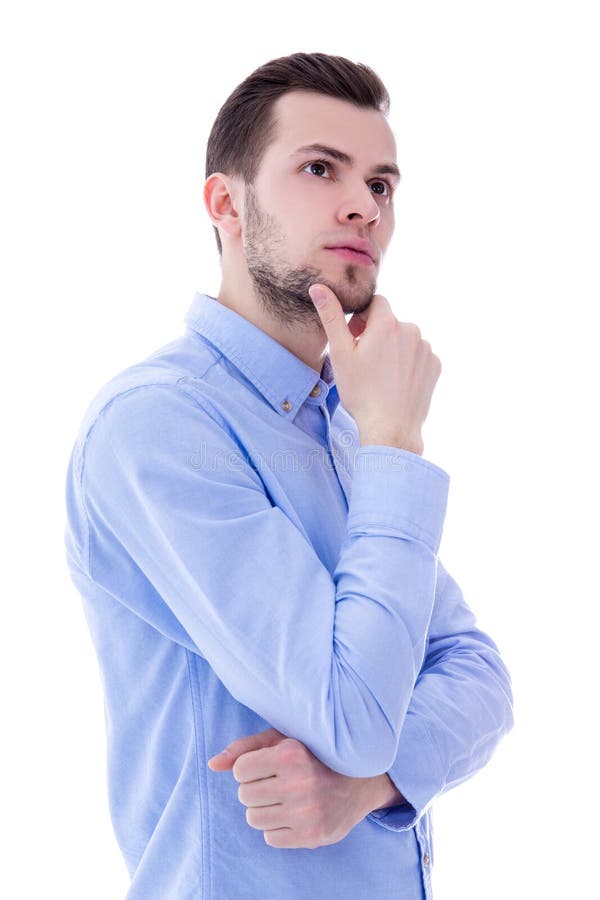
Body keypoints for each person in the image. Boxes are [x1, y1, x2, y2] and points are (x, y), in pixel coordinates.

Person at [64, 51, 514, 899]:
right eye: (320, 168)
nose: (363, 206)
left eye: (382, 184)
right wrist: (395, 445)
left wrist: (374, 787)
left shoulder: (343, 429)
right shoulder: (160, 424)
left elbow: (477, 672)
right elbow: (351, 717)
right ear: (225, 204)